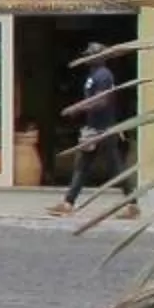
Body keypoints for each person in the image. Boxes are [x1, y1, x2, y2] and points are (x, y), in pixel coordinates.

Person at [52, 41, 139, 219]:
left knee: (115, 168)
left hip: (104, 129)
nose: (87, 58)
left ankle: (132, 205)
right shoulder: (94, 75)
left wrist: (77, 108)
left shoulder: (103, 76)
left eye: (90, 55)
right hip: (94, 128)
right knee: (83, 166)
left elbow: (102, 101)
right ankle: (68, 203)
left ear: (99, 57)